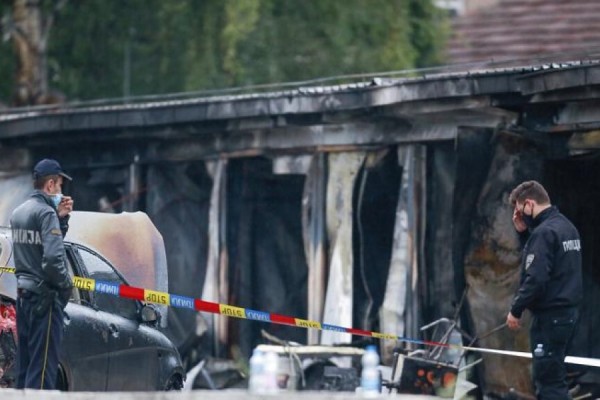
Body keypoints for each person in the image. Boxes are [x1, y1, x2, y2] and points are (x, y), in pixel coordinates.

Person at [506, 180, 582, 400]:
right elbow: (545, 263)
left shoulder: (544, 233)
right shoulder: (567, 227)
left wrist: (516, 309)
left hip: (550, 318)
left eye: (520, 210)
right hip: (568, 315)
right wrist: (524, 234)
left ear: (530, 204)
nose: (519, 215)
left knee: (549, 384)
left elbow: (536, 278)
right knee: (556, 378)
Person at [10, 159, 74, 390]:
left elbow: (37, 248)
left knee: (25, 366)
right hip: (44, 300)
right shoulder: (46, 214)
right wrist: (66, 286)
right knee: (43, 369)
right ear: (50, 185)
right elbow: (54, 259)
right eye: (59, 186)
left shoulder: (18, 213)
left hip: (23, 296)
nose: (61, 192)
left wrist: (61, 218)